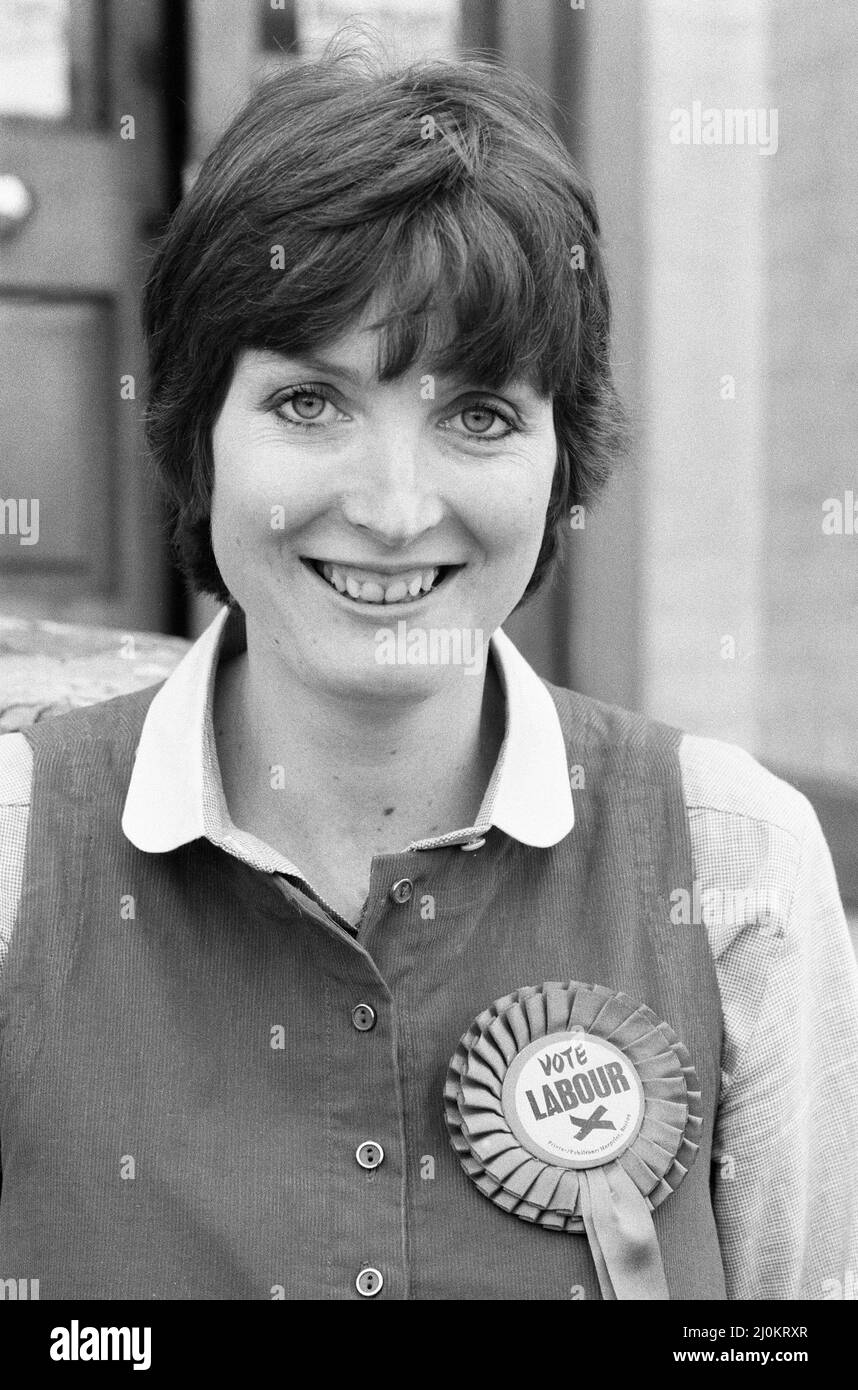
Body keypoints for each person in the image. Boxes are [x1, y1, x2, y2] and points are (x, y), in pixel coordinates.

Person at [0, 43, 856, 1302]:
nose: (396, 509)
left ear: (563, 463)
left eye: (479, 414)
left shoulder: (738, 873)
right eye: (307, 403)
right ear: (199, 436)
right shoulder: (16, 854)